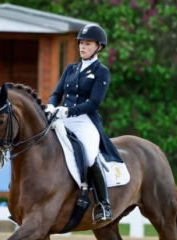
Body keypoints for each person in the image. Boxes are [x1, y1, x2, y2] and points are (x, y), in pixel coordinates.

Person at [44, 24, 123, 224]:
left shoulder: (101, 72)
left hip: (85, 121)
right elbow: (56, 93)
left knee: (89, 155)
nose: (82, 47)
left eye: (87, 44)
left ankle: (103, 204)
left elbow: (94, 103)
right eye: (81, 43)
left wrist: (70, 110)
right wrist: (52, 106)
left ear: (99, 47)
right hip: (62, 117)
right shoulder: (71, 69)